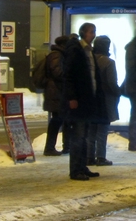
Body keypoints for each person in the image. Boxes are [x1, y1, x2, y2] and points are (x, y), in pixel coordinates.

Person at [62, 23, 105, 181]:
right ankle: (76, 169)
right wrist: (72, 97)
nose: (93, 35)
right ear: (83, 33)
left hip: (87, 99)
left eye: (94, 31)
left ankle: (82, 166)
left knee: (84, 135)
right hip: (79, 100)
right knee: (78, 136)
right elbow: (69, 75)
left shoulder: (88, 51)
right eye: (91, 32)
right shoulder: (77, 50)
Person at [87, 35, 120, 166]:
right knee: (102, 130)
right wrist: (118, 92)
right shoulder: (108, 62)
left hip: (91, 99)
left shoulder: (89, 59)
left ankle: (89, 157)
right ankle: (100, 157)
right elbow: (112, 82)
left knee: (91, 129)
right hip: (105, 99)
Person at [43, 35, 69, 156]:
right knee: (57, 120)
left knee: (58, 119)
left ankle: (51, 147)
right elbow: (57, 72)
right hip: (56, 93)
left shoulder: (58, 54)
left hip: (56, 92)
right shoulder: (56, 55)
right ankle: (49, 147)